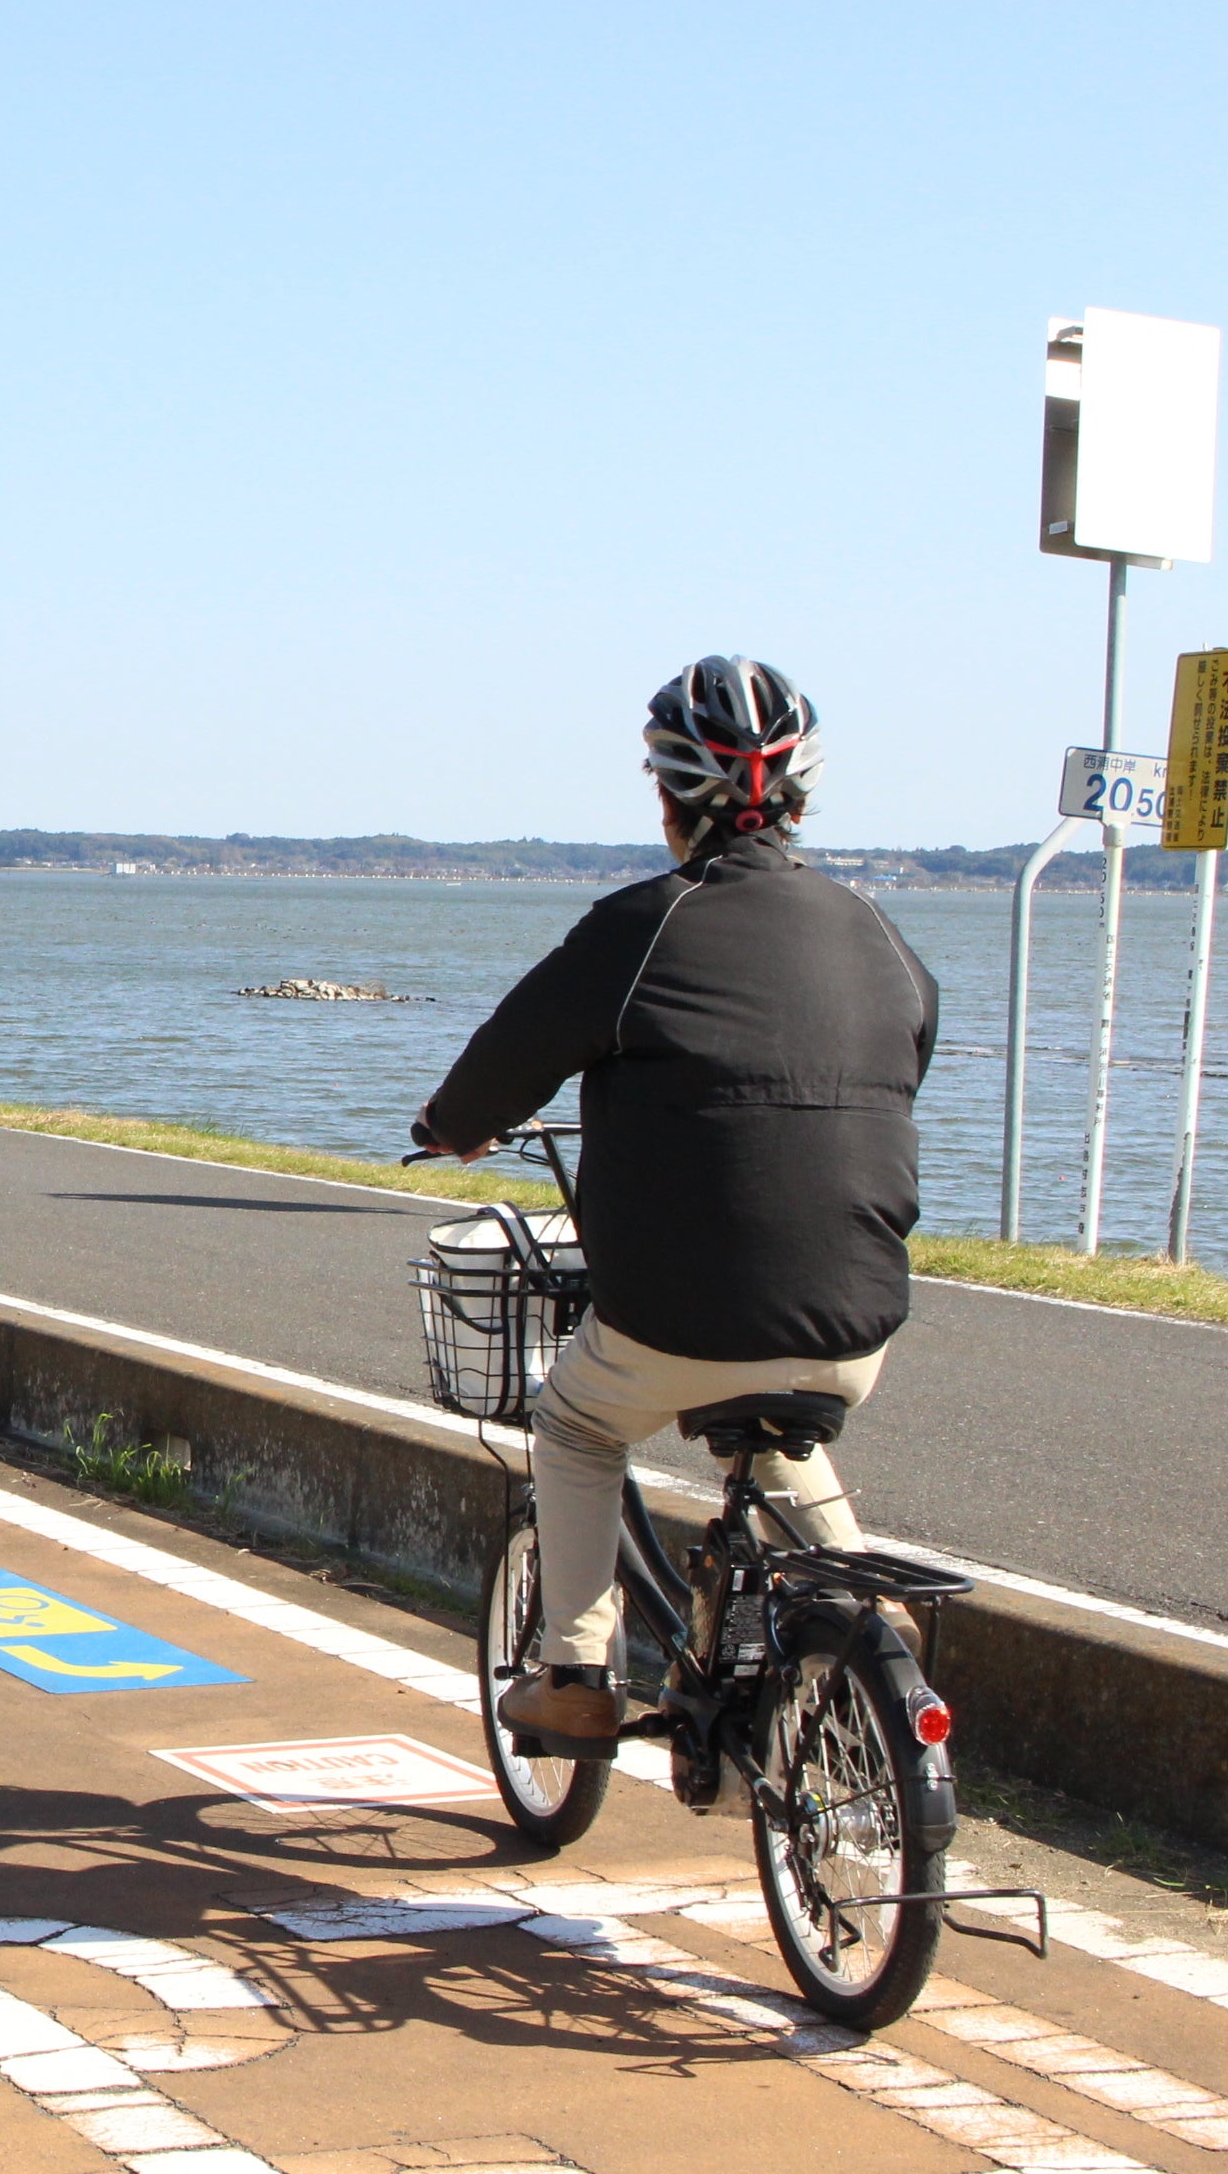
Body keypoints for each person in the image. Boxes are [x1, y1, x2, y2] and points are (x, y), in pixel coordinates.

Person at [414, 658, 937, 1757]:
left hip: (675, 1317)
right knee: (776, 1422)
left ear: (667, 798)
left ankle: (574, 1674)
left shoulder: (642, 926)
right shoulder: (880, 933)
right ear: (800, 800)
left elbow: (501, 1064)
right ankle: (866, 1609)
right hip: (854, 1322)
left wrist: (453, 1127)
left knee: (575, 1425)